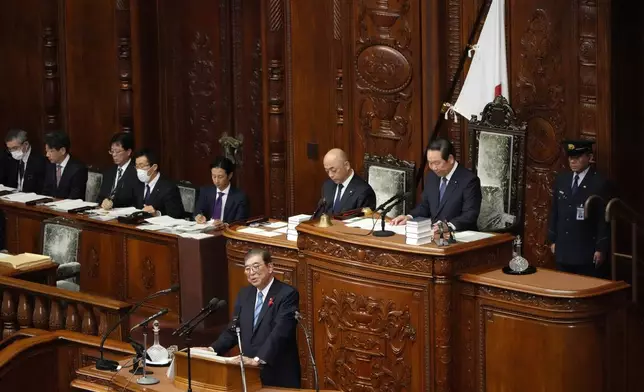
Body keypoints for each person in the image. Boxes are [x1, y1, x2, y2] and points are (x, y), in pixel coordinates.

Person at [209, 249, 301, 388]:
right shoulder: (244, 294)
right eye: (247, 268)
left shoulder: (287, 294)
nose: (251, 272)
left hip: (277, 373)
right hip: (249, 375)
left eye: (256, 267)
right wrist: (212, 349)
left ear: (270, 267)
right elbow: (234, 329)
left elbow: (280, 333)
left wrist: (258, 360)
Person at [548, 140, 610, 277]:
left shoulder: (599, 182)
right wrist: (552, 240)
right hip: (563, 249)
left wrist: (601, 249)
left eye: (577, 158)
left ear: (590, 158)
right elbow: (555, 211)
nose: (573, 161)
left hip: (586, 250)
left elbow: (603, 219)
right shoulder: (562, 179)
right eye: (571, 158)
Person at [391, 138, 482, 230]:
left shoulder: (469, 180)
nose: (434, 168)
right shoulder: (432, 176)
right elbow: (425, 205)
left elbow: (469, 215)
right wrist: (409, 217)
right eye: (430, 163)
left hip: (459, 236)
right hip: (433, 234)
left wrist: (448, 226)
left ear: (450, 159)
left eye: (437, 163)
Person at [194, 156, 249, 226]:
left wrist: (225, 224)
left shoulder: (240, 197)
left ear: (230, 176)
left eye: (220, 177)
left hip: (225, 233)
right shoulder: (205, 191)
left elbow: (240, 222)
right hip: (205, 232)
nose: (216, 181)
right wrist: (198, 216)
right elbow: (198, 211)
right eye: (213, 176)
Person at [133, 149, 184, 218]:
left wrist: (157, 214)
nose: (139, 170)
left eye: (142, 166)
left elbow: (176, 215)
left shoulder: (168, 187)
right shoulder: (138, 184)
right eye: (137, 166)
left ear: (154, 167)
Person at [321, 148, 376, 214]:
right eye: (327, 171)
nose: (330, 175)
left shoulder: (364, 192)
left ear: (346, 166)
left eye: (333, 170)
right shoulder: (327, 185)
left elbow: (363, 222)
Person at [98, 132, 139, 209]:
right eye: (112, 151)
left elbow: (135, 201)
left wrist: (113, 203)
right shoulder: (109, 172)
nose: (114, 155)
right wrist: (103, 202)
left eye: (117, 152)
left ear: (128, 152)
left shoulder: (136, 172)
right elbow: (101, 197)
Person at [42, 131, 88, 199]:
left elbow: (75, 197)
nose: (47, 155)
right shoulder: (49, 165)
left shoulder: (78, 169)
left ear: (62, 151)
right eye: (46, 151)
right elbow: (46, 192)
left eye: (51, 151)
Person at [5, 129, 47, 193]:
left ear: (26, 144)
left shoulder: (40, 161)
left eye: (15, 148)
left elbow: (41, 189)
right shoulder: (10, 159)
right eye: (9, 149)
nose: (12, 152)